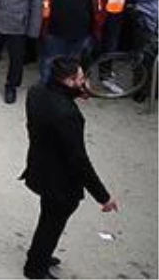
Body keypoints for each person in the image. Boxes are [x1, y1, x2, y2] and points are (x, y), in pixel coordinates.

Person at [20, 57, 117, 280]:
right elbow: (79, 160)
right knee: (51, 225)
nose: (85, 82)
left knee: (47, 219)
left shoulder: (36, 92)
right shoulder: (68, 115)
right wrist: (103, 197)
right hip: (60, 182)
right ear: (69, 81)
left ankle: (39, 255)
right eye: (81, 78)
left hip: (39, 166)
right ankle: (35, 268)